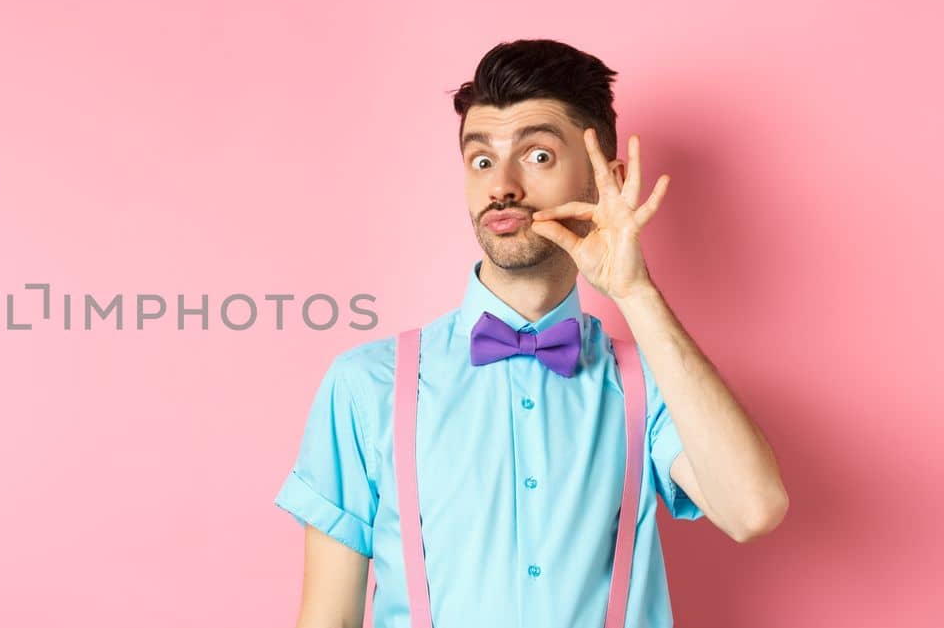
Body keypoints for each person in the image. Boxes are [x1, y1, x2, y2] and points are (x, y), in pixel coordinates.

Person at [273, 39, 789, 628]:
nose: (502, 186)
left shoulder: (651, 383)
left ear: (607, 180)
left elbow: (753, 510)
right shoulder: (366, 386)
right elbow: (328, 620)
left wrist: (634, 292)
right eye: (482, 161)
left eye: (538, 155)